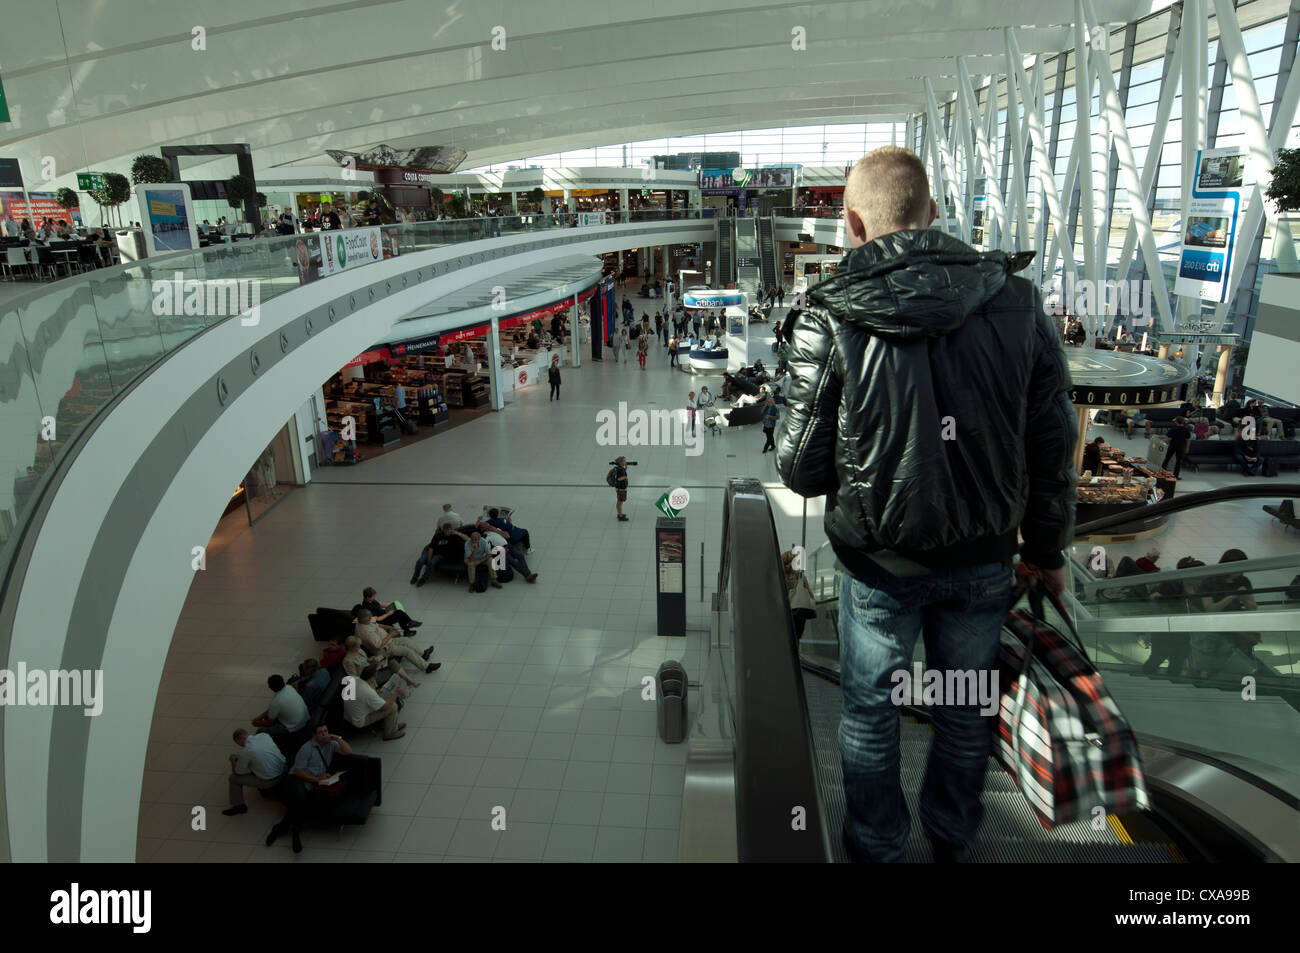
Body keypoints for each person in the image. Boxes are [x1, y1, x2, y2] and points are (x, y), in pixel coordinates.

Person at [776, 146, 1076, 864]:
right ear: (935, 213)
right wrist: (1046, 550)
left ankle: (878, 846)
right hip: (983, 560)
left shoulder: (831, 311)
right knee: (966, 707)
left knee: (871, 714)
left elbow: (801, 466)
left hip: (878, 564)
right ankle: (953, 837)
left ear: (851, 222)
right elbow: (1051, 435)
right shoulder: (1016, 299)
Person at [266, 724, 353, 853]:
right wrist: (318, 779)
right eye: (321, 732)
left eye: (326, 731)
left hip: (314, 781)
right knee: (300, 800)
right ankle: (295, 833)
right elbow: (298, 771)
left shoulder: (331, 744)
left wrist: (338, 738)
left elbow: (348, 751)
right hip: (298, 779)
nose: (324, 734)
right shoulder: (306, 749)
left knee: (296, 804)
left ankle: (281, 828)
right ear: (314, 736)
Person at [223, 727, 287, 816]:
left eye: (239, 744)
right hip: (284, 769)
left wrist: (233, 761)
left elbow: (238, 772)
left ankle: (239, 806)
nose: (241, 746)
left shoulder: (246, 751)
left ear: (240, 739)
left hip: (270, 780)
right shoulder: (264, 735)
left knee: (233, 779)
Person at [354, 608, 439, 673]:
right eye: (369, 619)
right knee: (406, 651)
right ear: (364, 620)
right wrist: (391, 635)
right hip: (384, 649)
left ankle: (423, 654)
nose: (370, 619)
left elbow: (376, 624)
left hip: (388, 640)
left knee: (406, 640)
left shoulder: (364, 621)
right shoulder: (365, 632)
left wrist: (389, 627)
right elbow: (378, 645)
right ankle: (426, 667)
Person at [344, 664, 407, 740]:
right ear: (371, 678)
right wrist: (396, 693)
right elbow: (385, 707)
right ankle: (390, 733)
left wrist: (376, 692)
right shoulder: (368, 692)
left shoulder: (354, 680)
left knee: (384, 697)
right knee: (393, 706)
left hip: (349, 715)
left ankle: (392, 725)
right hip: (359, 720)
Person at [610, 456, 630, 522]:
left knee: (620, 501)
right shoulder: (620, 469)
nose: (625, 462)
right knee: (620, 502)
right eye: (624, 461)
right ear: (620, 462)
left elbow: (622, 473)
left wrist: (626, 467)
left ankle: (620, 514)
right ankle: (620, 516)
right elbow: (619, 479)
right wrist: (625, 477)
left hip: (620, 488)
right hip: (620, 489)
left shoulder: (619, 468)